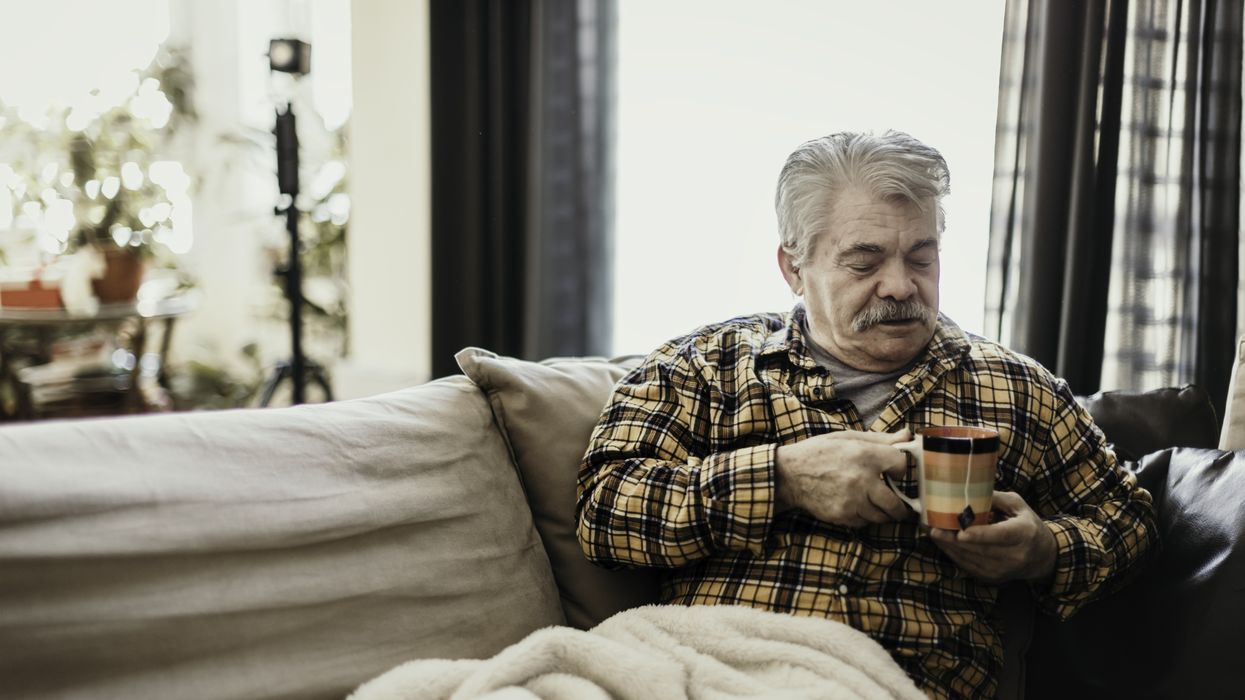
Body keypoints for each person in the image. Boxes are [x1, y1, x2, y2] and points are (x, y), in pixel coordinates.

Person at [575, 130, 1157, 699]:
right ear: (793, 267)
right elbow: (604, 511)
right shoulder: (705, 367)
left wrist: (1045, 550)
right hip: (706, 666)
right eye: (864, 262)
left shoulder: (1017, 389)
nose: (901, 286)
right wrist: (783, 479)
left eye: (922, 258)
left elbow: (1129, 522)